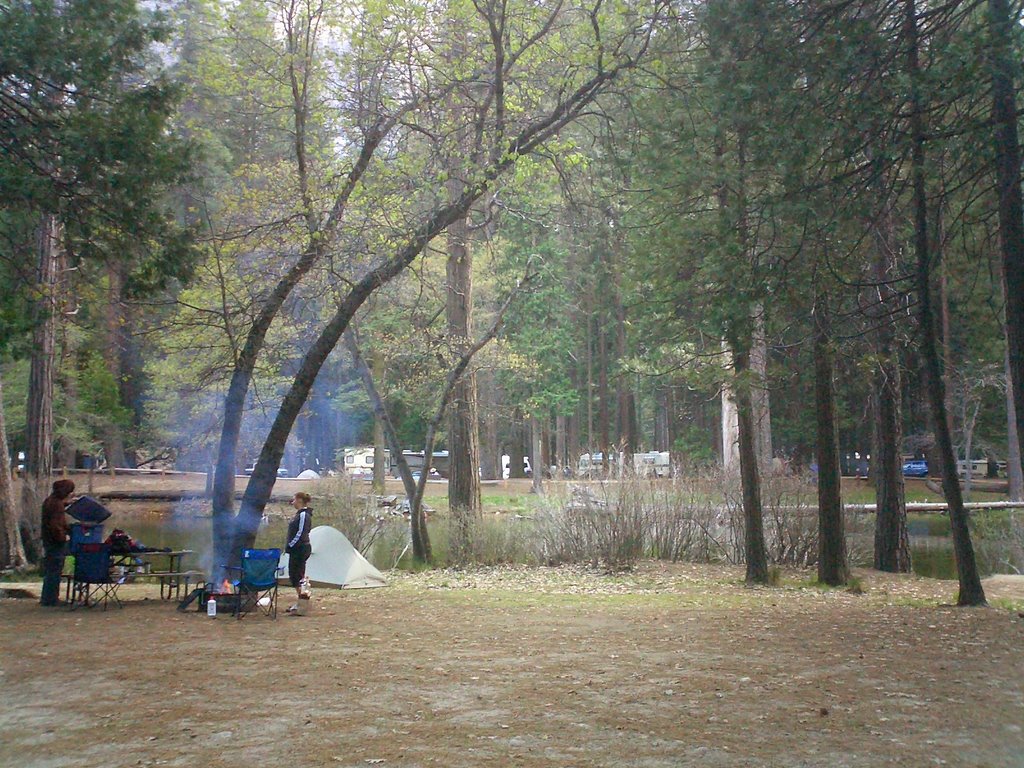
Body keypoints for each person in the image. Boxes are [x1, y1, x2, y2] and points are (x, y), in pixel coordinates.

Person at [40, 479, 75, 607]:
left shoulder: (50, 501)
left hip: (48, 540)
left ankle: (47, 598)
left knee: (50, 570)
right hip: (55, 542)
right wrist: (63, 537)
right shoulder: (56, 505)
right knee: (55, 570)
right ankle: (51, 599)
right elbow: (55, 525)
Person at [284, 491, 313, 614]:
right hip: (297, 548)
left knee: (297, 576)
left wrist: (291, 545)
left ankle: (302, 604)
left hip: (300, 548)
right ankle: (301, 602)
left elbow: (301, 532)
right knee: (295, 576)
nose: (293, 502)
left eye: (294, 499)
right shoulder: (299, 514)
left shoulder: (303, 515)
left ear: (300, 500)